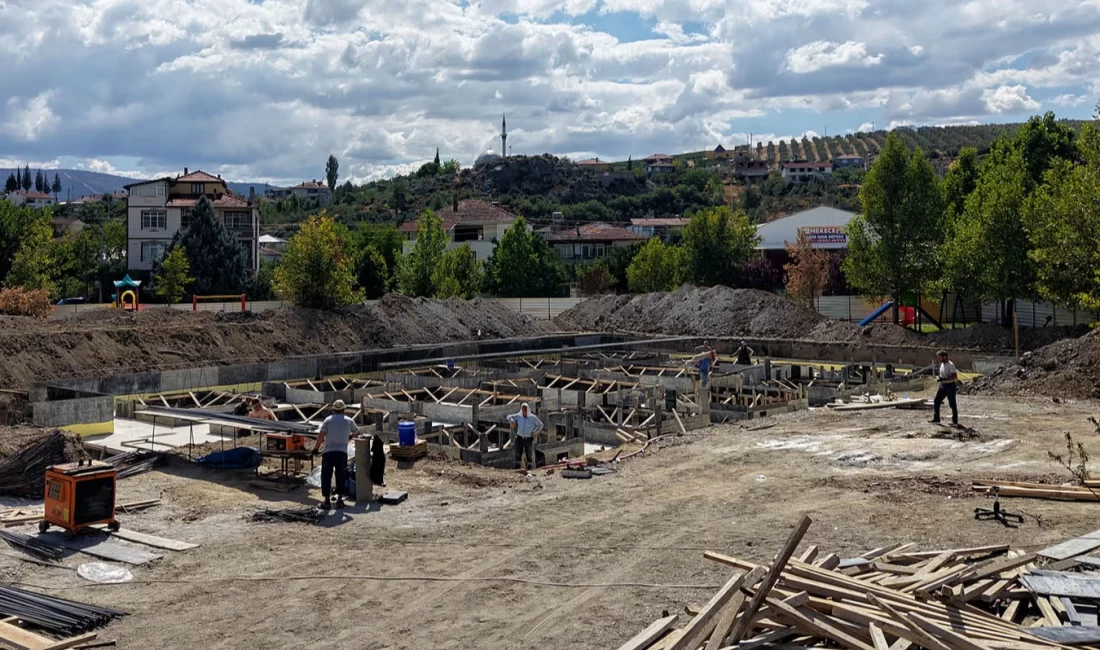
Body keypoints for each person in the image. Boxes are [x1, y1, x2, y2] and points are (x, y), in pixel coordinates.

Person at [314, 399, 359, 510]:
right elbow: (357, 432)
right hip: (342, 453)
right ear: (344, 409)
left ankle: (327, 501)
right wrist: (349, 437)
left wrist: (316, 449)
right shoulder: (349, 421)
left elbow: (321, 436)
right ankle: (339, 500)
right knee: (341, 476)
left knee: (326, 477)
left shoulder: (328, 420)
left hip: (328, 453)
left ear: (333, 410)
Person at [507, 403, 543, 471]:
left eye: (525, 410)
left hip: (528, 439)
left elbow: (541, 425)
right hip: (519, 438)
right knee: (517, 454)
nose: (524, 412)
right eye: (523, 410)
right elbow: (508, 416)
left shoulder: (532, 417)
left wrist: (535, 432)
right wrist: (511, 420)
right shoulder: (518, 416)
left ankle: (529, 470)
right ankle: (517, 470)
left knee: (529, 455)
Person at [931, 350, 959, 426]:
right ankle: (936, 418)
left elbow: (954, 377)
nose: (938, 359)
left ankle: (955, 421)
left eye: (939, 357)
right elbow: (942, 375)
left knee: (952, 403)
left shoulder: (950, 364)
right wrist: (939, 378)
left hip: (950, 386)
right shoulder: (942, 365)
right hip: (942, 386)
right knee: (936, 401)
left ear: (944, 357)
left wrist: (944, 379)